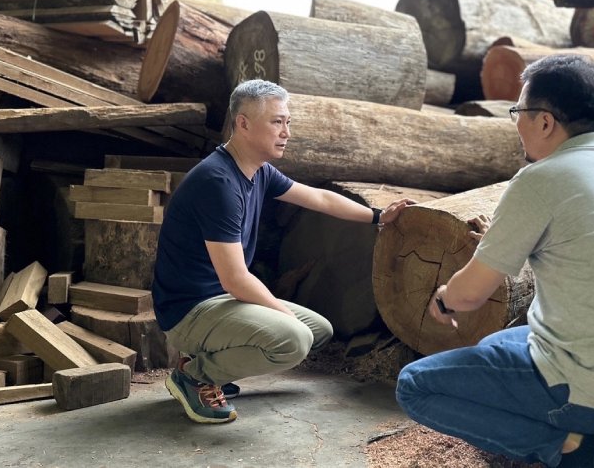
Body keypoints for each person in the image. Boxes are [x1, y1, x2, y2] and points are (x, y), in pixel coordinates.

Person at [395, 55, 594, 468]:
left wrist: (443, 298)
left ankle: (574, 449)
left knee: (414, 386)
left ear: (545, 121)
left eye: (518, 111)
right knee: (497, 344)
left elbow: (471, 295)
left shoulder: (541, 179)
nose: (516, 123)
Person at [153, 79, 411, 424]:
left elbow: (318, 198)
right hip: (190, 311)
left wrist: (378, 216)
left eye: (288, 122)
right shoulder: (218, 184)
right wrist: (282, 315)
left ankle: (203, 361)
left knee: (319, 330)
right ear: (242, 123)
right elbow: (235, 279)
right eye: (277, 122)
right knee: (293, 339)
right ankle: (195, 376)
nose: (286, 132)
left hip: (220, 303)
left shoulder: (257, 170)